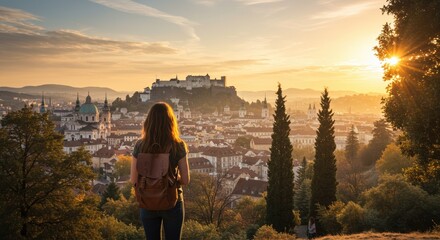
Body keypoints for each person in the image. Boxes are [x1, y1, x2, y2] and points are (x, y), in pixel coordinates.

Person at [131, 102, 190, 240]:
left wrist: (151, 182)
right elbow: (186, 180)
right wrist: (169, 180)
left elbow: (134, 180)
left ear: (148, 122)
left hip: (147, 201)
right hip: (172, 201)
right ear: (171, 122)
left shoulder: (140, 145)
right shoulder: (178, 145)